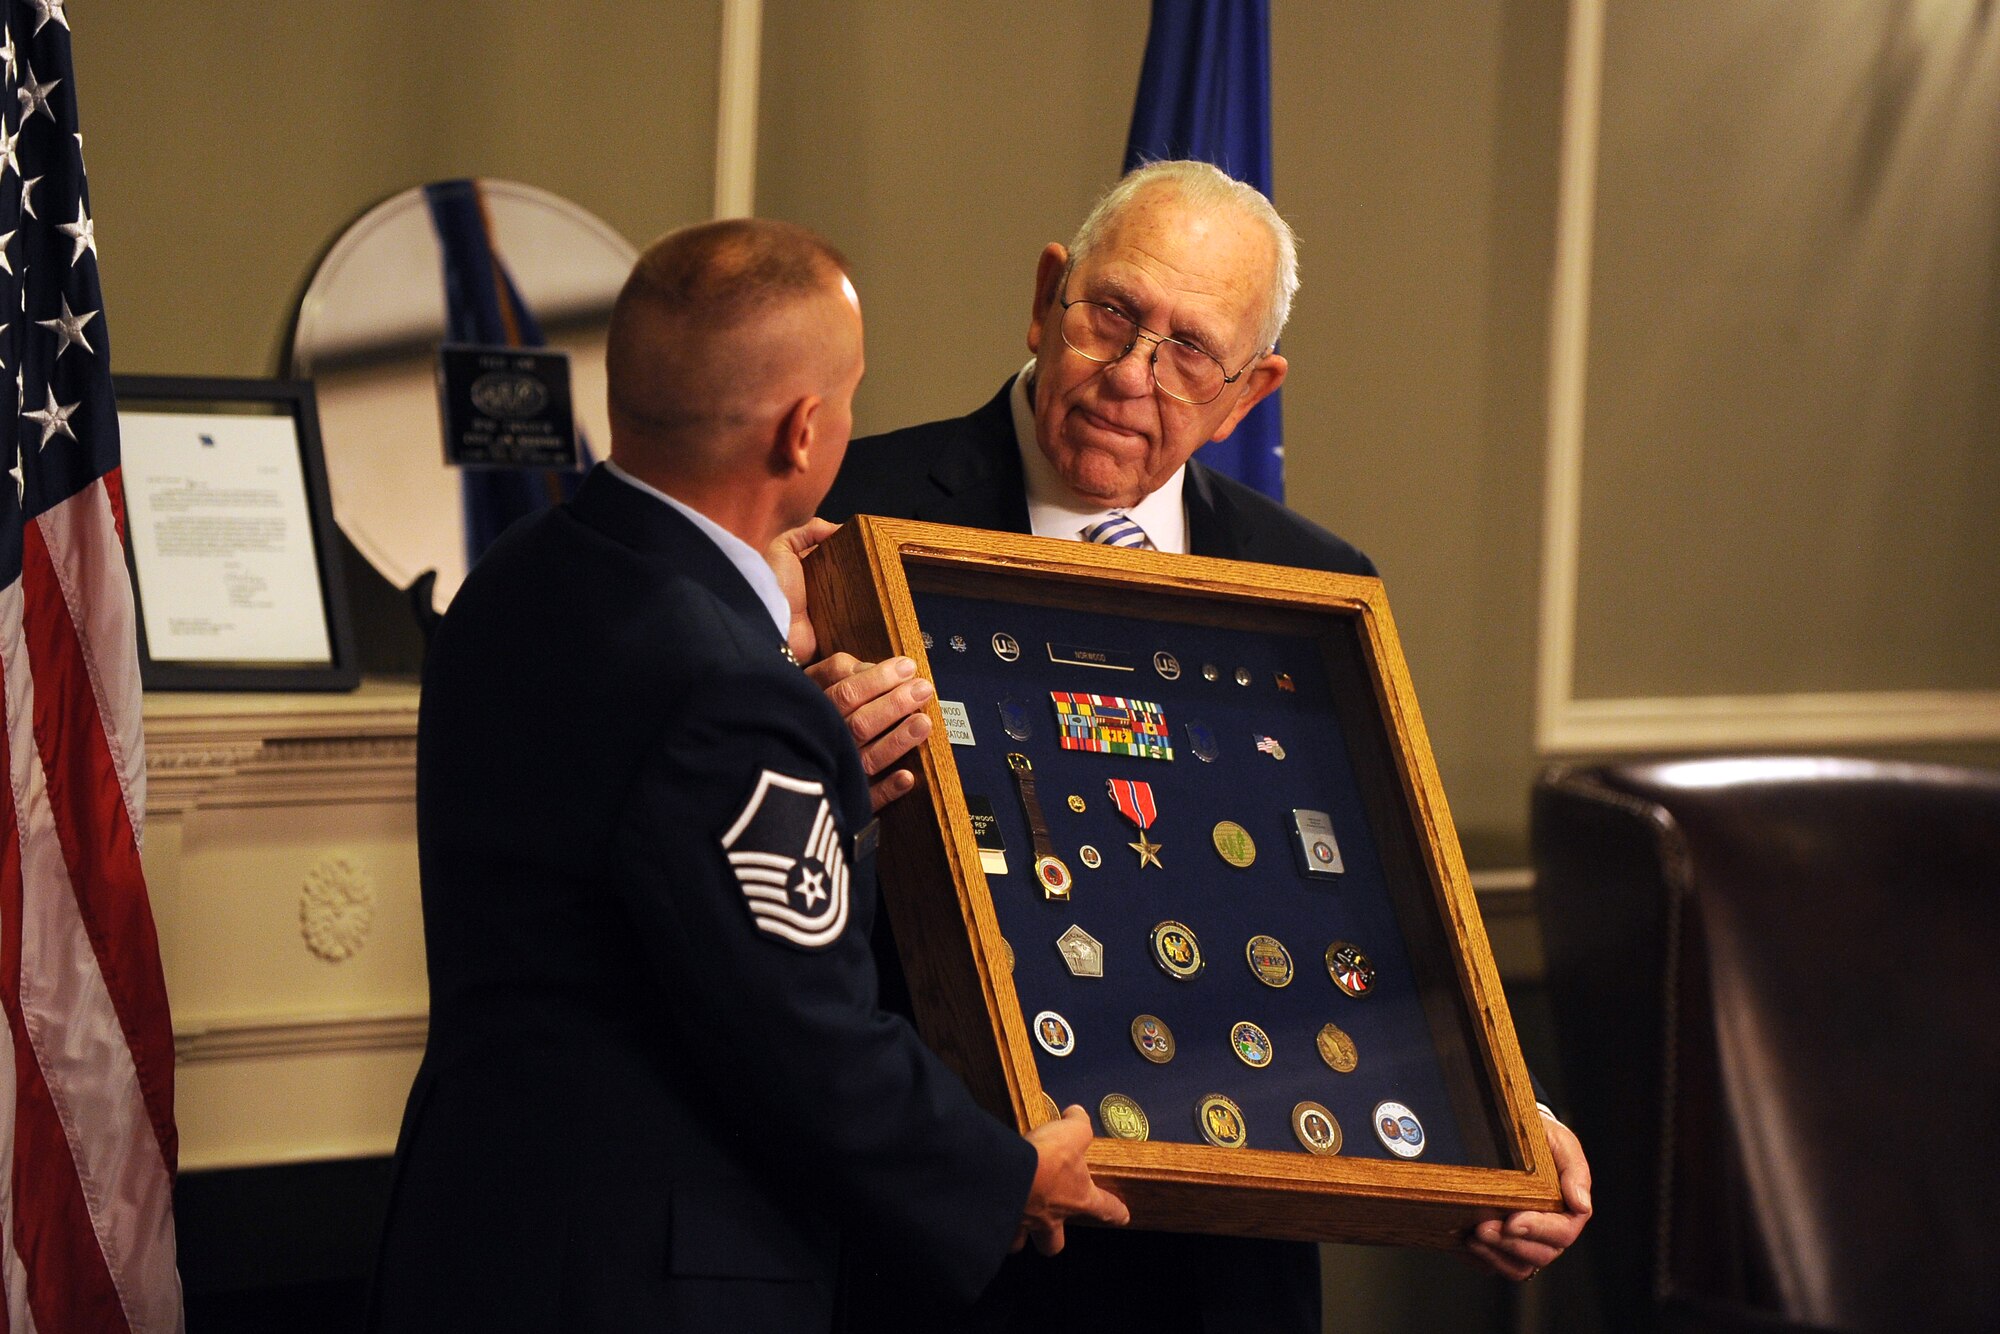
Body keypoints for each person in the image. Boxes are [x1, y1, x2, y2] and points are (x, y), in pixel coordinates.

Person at [818, 160, 1593, 1332]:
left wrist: (1496, 1118)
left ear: (1248, 392)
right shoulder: (840, 514)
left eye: (1188, 350)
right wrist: (809, 755)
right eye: (1111, 314)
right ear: (1045, 298)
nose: (1131, 374)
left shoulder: (1316, 584)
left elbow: (1376, 905)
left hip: (1221, 1271)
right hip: (934, 1255)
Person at [368, 218, 1127, 1333]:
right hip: (647, 1279)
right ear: (803, 429)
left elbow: (645, 878)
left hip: (481, 1237)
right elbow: (802, 1034)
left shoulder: (516, 580)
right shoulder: (724, 684)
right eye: (851, 395)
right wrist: (1001, 1176)